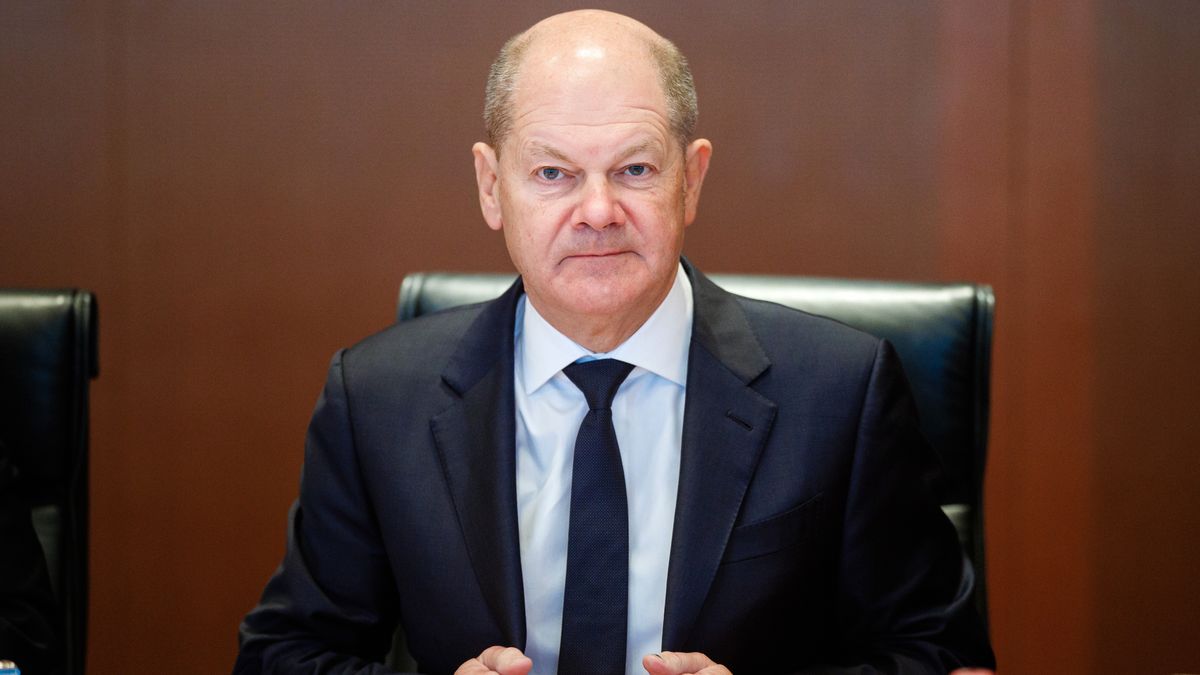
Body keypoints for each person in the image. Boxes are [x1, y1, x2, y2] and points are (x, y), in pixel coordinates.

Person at [235, 10, 994, 674]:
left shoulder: (838, 390)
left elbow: (943, 653)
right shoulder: (376, 400)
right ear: (491, 186)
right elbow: (282, 654)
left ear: (691, 180)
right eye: (553, 172)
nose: (597, 211)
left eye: (634, 168)